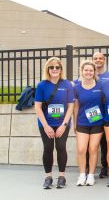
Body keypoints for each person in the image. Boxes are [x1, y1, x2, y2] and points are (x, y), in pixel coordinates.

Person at [34, 57, 74, 189]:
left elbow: (70, 106)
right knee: (48, 148)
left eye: (57, 67)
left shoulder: (67, 84)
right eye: (52, 67)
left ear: (61, 69)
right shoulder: (41, 85)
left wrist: (64, 124)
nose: (55, 69)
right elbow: (38, 107)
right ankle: (48, 177)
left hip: (62, 123)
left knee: (61, 147)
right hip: (45, 123)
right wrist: (46, 126)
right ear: (48, 69)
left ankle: (61, 176)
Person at [73, 60, 104, 186]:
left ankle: (91, 175)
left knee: (93, 148)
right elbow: (76, 106)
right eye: (86, 70)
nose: (88, 72)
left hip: (97, 122)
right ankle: (82, 174)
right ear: (82, 71)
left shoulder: (100, 86)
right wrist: (74, 123)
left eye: (91, 70)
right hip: (82, 122)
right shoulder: (77, 87)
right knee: (81, 149)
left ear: (94, 72)